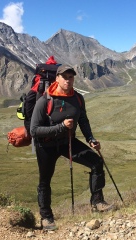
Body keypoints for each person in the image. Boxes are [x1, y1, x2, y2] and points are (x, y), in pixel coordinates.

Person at [30, 65, 113, 230]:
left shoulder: (78, 98)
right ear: (57, 78)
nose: (68, 80)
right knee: (45, 180)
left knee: (96, 162)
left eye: (71, 77)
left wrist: (90, 139)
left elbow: (83, 120)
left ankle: (97, 202)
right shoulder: (44, 100)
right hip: (46, 145)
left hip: (67, 142)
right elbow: (34, 130)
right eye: (65, 77)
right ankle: (46, 216)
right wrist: (61, 127)